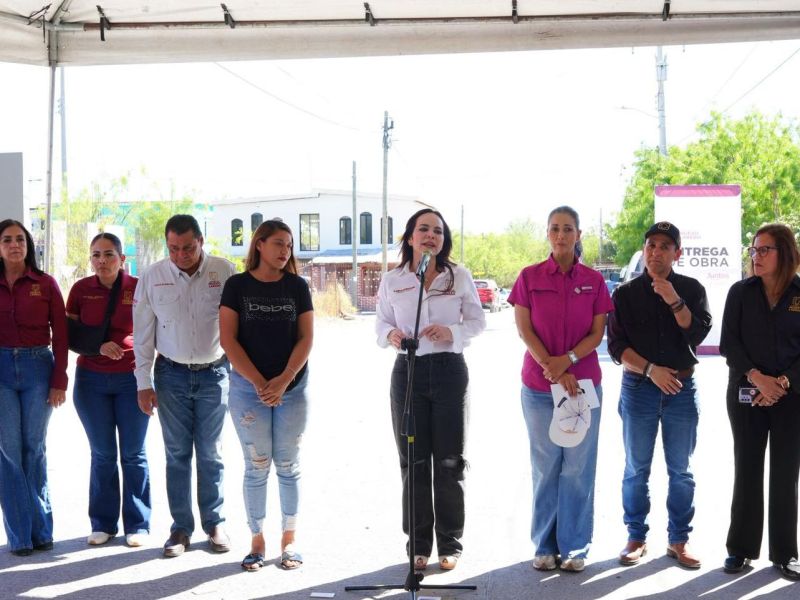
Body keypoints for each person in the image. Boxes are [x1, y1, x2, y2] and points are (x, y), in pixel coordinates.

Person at [375, 208, 485, 571]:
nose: (430, 236)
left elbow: (477, 321)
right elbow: (381, 323)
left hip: (450, 371)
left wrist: (451, 332)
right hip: (408, 373)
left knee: (450, 462)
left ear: (443, 240)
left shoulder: (460, 276)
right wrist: (390, 335)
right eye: (423, 229)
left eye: (437, 231)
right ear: (410, 237)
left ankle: (450, 543)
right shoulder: (394, 280)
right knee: (414, 461)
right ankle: (418, 543)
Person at [508, 206, 613, 573]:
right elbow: (524, 329)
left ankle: (575, 547)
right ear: (548, 233)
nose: (561, 234)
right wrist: (550, 366)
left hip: (582, 386)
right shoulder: (529, 277)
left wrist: (566, 360)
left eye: (568, 228)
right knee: (547, 466)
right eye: (555, 228)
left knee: (578, 468)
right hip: (539, 387)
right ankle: (545, 545)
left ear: (578, 234)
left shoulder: (593, 281)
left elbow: (597, 333)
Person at [607, 221, 712, 569]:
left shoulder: (693, 290)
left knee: (681, 470)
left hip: (681, 389)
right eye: (651, 245)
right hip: (639, 389)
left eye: (665, 246)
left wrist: (673, 300)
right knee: (636, 469)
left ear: (677, 253)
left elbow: (697, 334)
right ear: (644, 250)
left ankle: (678, 540)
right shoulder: (624, 294)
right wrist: (652, 370)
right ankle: (636, 537)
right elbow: (617, 346)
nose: (656, 251)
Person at [133, 214, 236, 558]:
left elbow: (239, 327)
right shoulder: (152, 276)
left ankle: (214, 523)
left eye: (188, 247)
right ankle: (181, 528)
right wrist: (142, 383)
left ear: (201, 241)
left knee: (212, 454)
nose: (181, 255)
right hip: (171, 376)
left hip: (214, 374)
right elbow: (143, 335)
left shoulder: (224, 272)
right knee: (177, 454)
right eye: (174, 248)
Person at [219, 219, 313, 571]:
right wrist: (261, 383)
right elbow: (228, 340)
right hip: (248, 389)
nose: (285, 250)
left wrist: (284, 379)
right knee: (257, 466)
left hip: (293, 387)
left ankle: (289, 541)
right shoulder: (237, 286)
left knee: (288, 466)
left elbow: (306, 338)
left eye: (289, 245)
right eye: (278, 243)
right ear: (258, 244)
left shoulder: (297, 287)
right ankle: (256, 540)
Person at [720, 223, 800, 580]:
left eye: (764, 250)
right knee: (747, 469)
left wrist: (781, 383)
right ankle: (740, 549)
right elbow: (729, 344)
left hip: (791, 395)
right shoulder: (740, 292)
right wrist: (759, 378)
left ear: (784, 253)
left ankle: (785, 553)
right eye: (753, 250)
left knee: (785, 474)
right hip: (746, 392)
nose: (756, 256)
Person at [67, 232, 151, 548]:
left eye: (109, 254)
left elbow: (154, 328)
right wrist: (97, 346)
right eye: (96, 255)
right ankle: (102, 523)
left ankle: (138, 524)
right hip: (91, 383)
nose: (102, 261)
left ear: (122, 259)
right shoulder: (79, 290)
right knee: (102, 454)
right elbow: (69, 334)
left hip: (132, 380)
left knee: (133, 454)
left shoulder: (139, 287)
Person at [0, 219, 67, 556]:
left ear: (28, 245)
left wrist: (60, 379)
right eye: (8, 240)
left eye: (20, 240)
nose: (15, 245)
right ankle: (21, 536)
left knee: (33, 448)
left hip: (38, 366)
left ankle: (41, 529)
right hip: (0, 370)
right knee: (9, 452)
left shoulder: (46, 283)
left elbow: (63, 335)